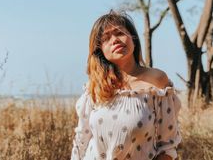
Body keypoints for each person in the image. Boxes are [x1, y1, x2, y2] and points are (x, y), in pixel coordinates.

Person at [71, 10, 182, 160]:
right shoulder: (95, 87)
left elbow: (167, 146)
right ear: (100, 50)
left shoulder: (156, 82)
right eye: (106, 38)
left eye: (119, 33)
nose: (115, 40)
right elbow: (81, 141)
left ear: (133, 38)